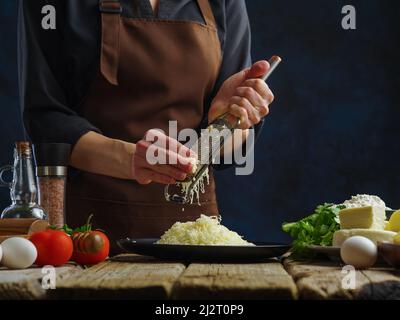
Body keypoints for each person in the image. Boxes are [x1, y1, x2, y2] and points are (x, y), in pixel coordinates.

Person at [19, 0, 274, 252]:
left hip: (196, 240)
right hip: (88, 240)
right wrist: (133, 159)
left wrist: (224, 122)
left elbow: (222, 146)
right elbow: (45, 118)